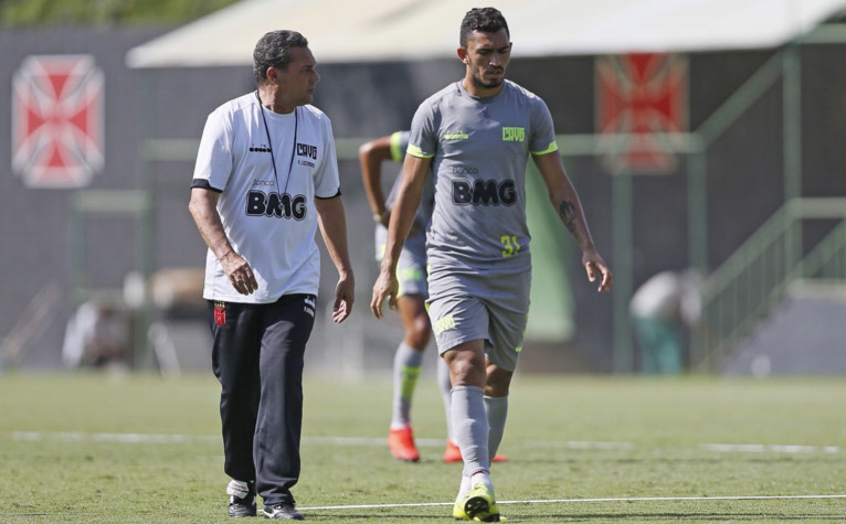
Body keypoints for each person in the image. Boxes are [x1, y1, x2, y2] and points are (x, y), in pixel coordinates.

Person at [371, 7, 612, 522]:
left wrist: (588, 246)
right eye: (486, 52)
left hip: (510, 266)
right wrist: (388, 265)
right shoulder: (435, 112)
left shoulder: (530, 109)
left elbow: (557, 183)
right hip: (450, 262)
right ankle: (477, 476)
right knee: (466, 364)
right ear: (464, 54)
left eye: (503, 51)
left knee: (498, 379)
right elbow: (408, 190)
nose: (496, 61)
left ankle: (472, 480)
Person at [188, 30, 354, 520]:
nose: (316, 77)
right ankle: (241, 480)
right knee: (238, 390)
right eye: (307, 69)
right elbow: (200, 201)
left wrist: (344, 269)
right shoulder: (227, 120)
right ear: (272, 75)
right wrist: (227, 257)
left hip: (295, 282)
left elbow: (328, 202)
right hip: (233, 285)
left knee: (281, 377)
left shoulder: (318, 125)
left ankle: (278, 493)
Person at [359, 132, 507, 464]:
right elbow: (369, 151)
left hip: (442, 242)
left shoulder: (480, 146)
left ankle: (458, 439)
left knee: (452, 333)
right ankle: (399, 426)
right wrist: (380, 212)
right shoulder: (428, 135)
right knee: (420, 328)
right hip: (404, 240)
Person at [630, 269, 702, 374]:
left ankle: (650, 375)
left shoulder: (670, 279)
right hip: (650, 315)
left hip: (637, 311)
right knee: (670, 344)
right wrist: (696, 325)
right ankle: (673, 373)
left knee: (651, 347)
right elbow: (691, 313)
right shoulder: (680, 286)